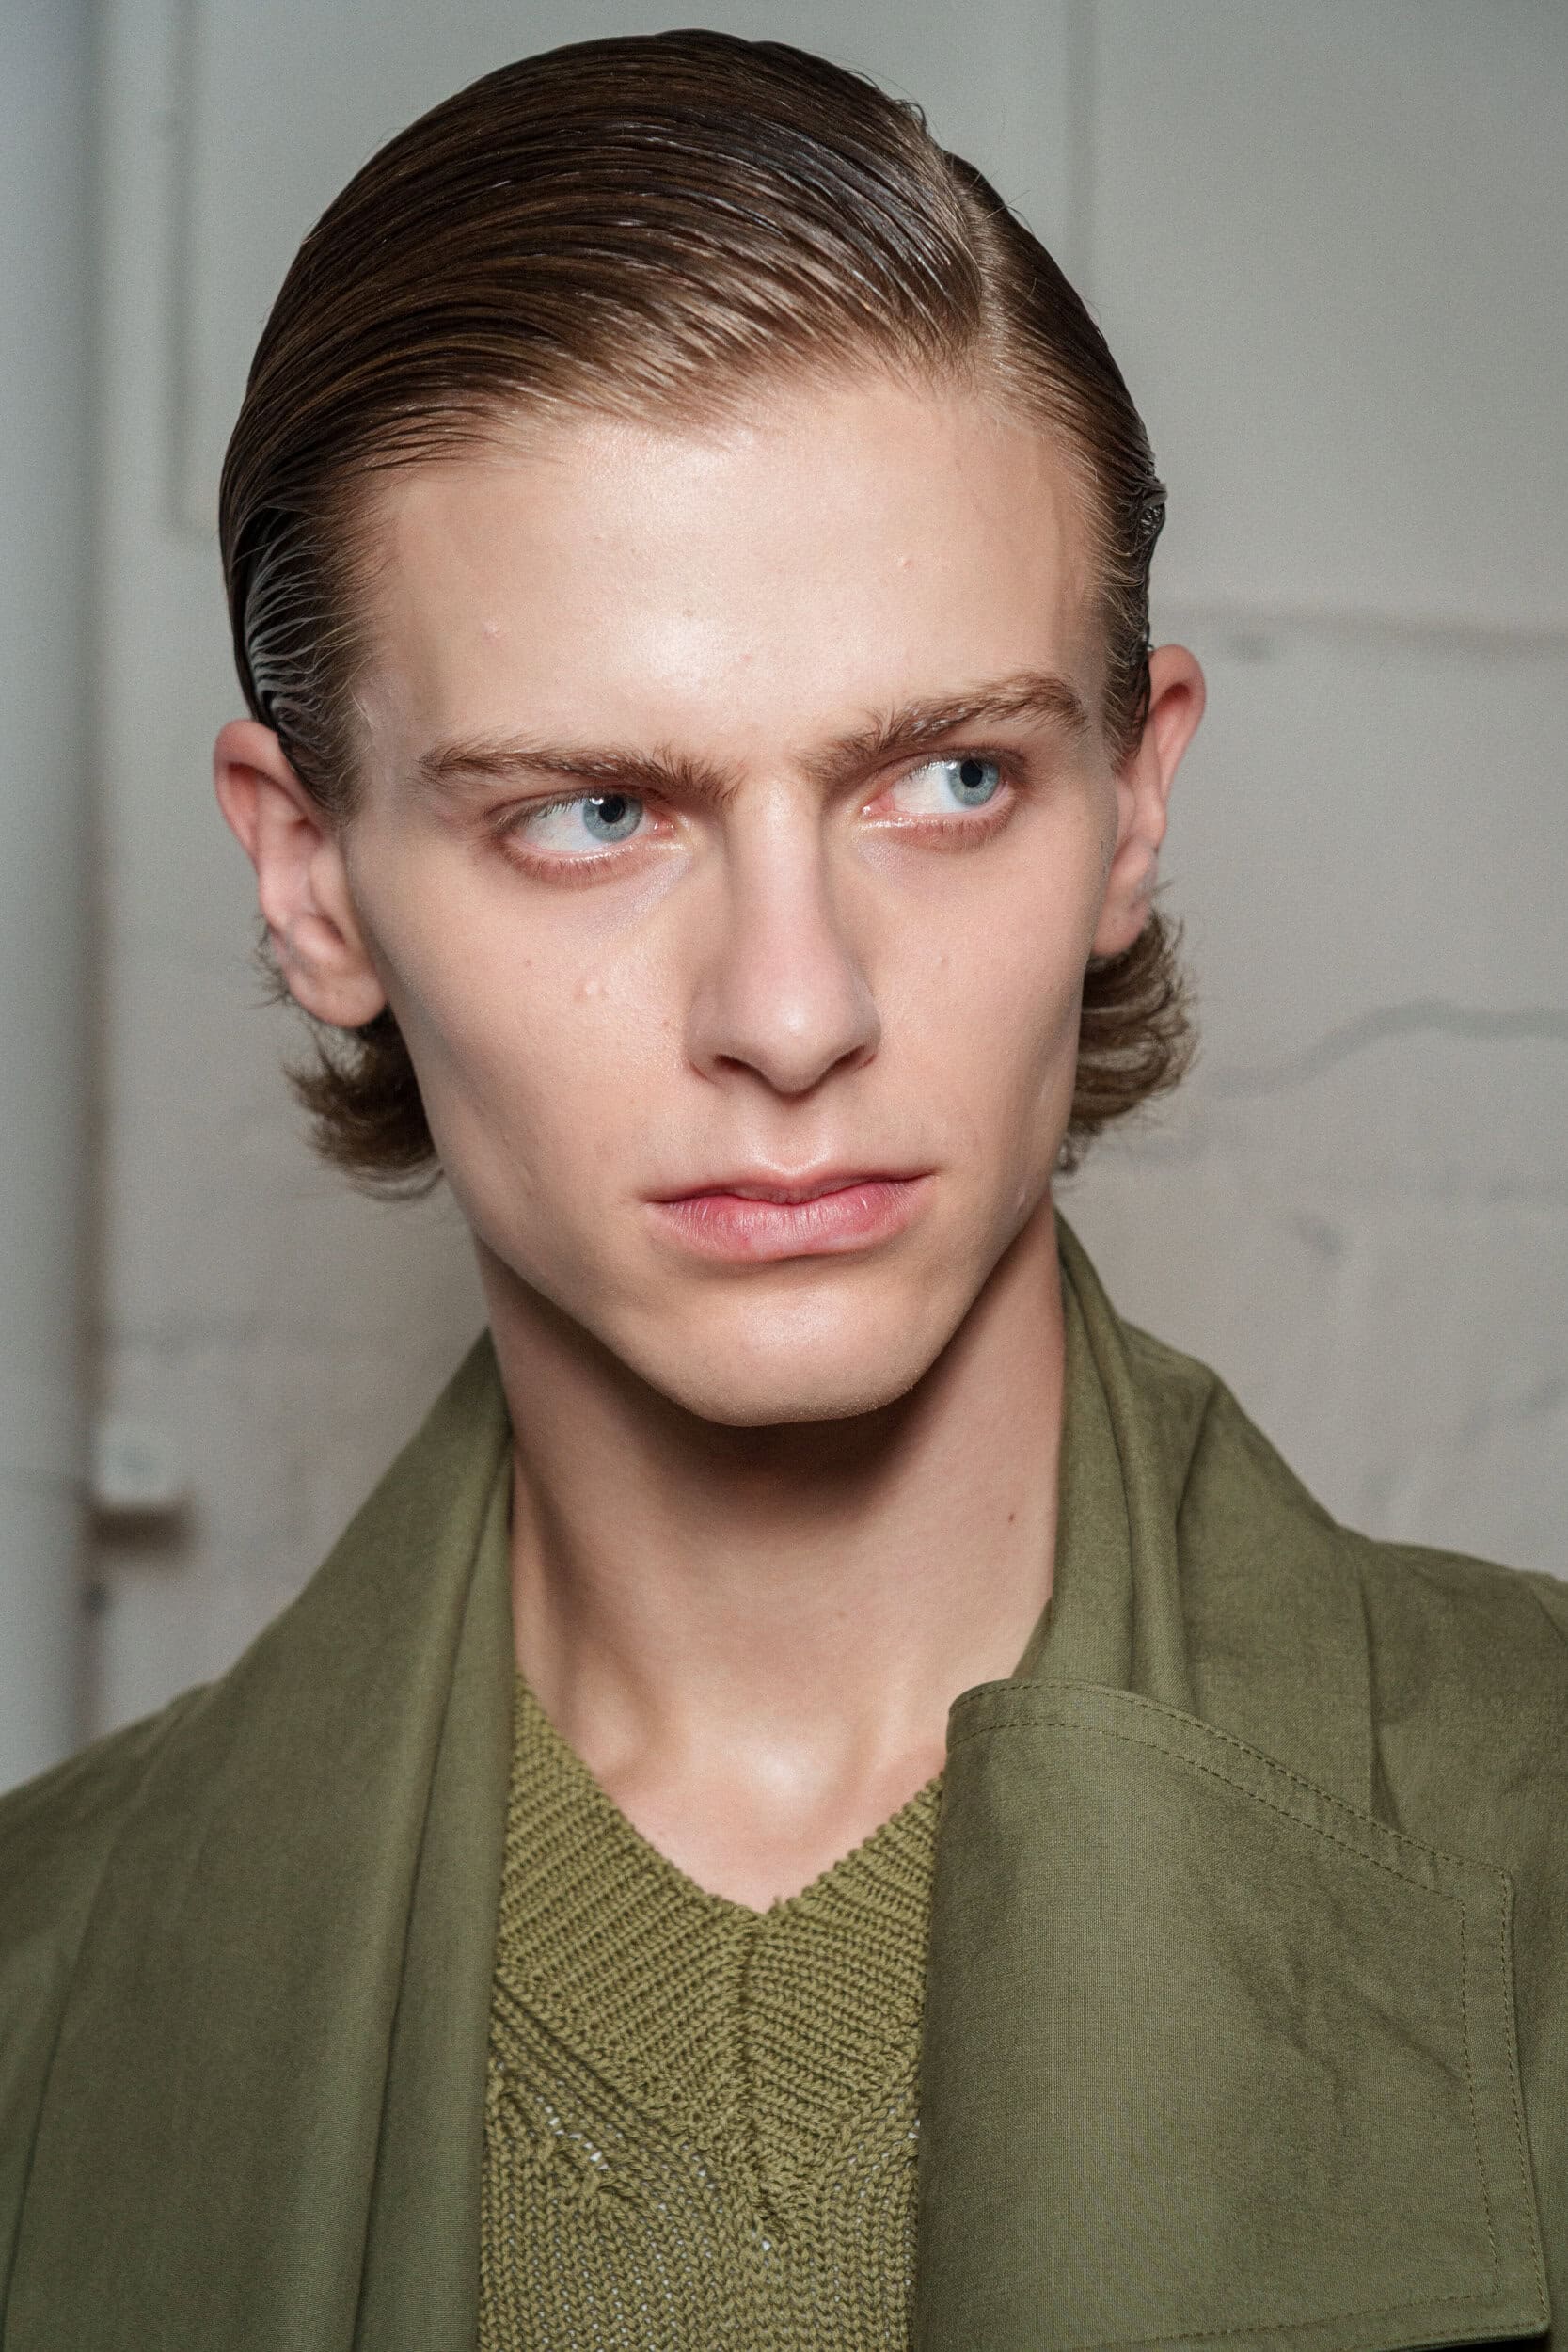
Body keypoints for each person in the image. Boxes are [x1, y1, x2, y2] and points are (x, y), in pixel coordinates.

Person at [1, 28, 1563, 2352]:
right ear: (313, 878)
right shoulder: (38, 1999)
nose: (797, 1008)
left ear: (1132, 803)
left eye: (950, 777)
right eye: (594, 813)